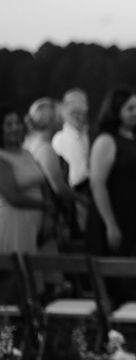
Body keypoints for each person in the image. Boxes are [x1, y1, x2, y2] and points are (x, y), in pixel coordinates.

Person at [86, 88, 136, 258]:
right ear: (115, 111)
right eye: (130, 108)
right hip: (117, 213)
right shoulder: (106, 140)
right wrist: (110, 223)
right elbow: (98, 184)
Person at [23, 98, 76, 251]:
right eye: (61, 116)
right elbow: (59, 188)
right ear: (52, 120)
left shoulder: (29, 143)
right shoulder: (46, 149)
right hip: (47, 218)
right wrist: (83, 201)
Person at [0, 103, 49, 257]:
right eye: (8, 124)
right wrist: (44, 205)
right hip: (14, 222)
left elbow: (42, 182)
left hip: (35, 223)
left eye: (17, 123)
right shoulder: (2, 157)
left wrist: (48, 211)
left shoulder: (27, 153)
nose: (15, 127)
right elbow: (12, 196)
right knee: (20, 272)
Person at [51, 87, 91, 235]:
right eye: (75, 111)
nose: (80, 115)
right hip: (75, 196)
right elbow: (74, 175)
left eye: (82, 111)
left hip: (87, 193)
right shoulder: (61, 138)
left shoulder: (88, 134)